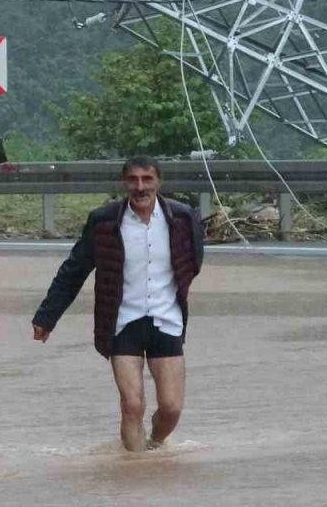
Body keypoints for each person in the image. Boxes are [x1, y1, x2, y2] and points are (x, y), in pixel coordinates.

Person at [31, 155, 204, 452]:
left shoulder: (183, 218)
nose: (140, 187)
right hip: (123, 321)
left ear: (158, 182)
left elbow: (193, 261)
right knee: (132, 405)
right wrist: (47, 317)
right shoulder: (104, 221)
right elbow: (74, 269)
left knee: (172, 408)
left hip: (167, 319)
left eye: (147, 179)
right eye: (133, 180)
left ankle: (154, 443)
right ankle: (134, 473)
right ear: (124, 183)